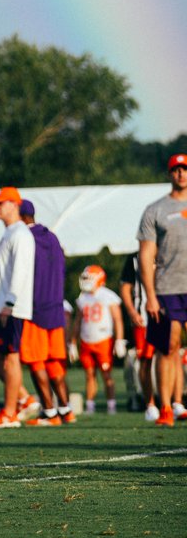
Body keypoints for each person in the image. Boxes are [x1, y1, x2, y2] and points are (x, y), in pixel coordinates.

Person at [0, 185, 35, 429]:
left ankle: (10, 412)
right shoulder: (9, 233)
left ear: (15, 205)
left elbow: (21, 272)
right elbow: (6, 271)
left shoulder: (20, 234)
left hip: (11, 306)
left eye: (1, 203)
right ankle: (23, 398)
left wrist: (10, 303)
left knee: (12, 358)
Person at [138, 152, 187, 427]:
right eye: (176, 169)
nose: (181, 173)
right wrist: (150, 296)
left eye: (185, 169)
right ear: (169, 174)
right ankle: (166, 406)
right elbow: (146, 255)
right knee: (168, 347)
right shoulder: (155, 209)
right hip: (168, 287)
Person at [18, 201, 75, 426]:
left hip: (35, 309)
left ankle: (50, 413)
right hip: (56, 307)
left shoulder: (25, 239)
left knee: (36, 362)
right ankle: (66, 410)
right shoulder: (52, 237)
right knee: (54, 364)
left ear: (21, 216)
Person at [69, 265, 124, 415]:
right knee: (89, 374)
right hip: (86, 340)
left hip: (103, 340)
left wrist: (119, 340)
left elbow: (118, 319)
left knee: (106, 374)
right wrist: (72, 342)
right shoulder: (82, 297)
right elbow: (77, 321)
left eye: (88, 278)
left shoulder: (108, 296)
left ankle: (111, 405)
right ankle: (90, 405)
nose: (85, 281)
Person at [120, 249, 158, 420]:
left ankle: (174, 402)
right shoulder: (134, 258)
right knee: (145, 360)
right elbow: (125, 287)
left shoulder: (169, 251)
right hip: (143, 316)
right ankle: (150, 403)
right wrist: (131, 312)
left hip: (168, 312)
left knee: (170, 356)